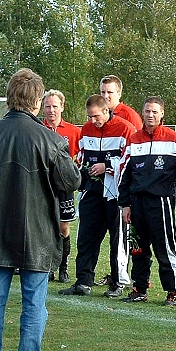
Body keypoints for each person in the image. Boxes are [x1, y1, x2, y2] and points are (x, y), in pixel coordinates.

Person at [0, 68, 81, 351]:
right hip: (37, 231)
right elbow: (70, 182)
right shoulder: (51, 140)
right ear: (38, 101)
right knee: (34, 299)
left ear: (9, 97)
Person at [118, 96, 176, 306]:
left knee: (165, 247)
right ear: (142, 113)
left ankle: (173, 290)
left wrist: (173, 184)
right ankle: (139, 288)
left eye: (154, 112)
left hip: (160, 203)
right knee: (138, 247)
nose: (150, 115)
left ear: (162, 114)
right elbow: (124, 174)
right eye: (147, 111)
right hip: (136, 203)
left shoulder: (174, 139)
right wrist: (125, 204)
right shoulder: (134, 140)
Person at [58, 94, 135, 297]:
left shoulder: (125, 128)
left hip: (115, 194)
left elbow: (130, 161)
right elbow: (81, 158)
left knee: (117, 239)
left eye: (95, 116)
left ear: (106, 111)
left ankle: (118, 281)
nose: (93, 121)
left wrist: (107, 166)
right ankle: (83, 281)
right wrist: (82, 174)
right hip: (92, 192)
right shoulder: (86, 129)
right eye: (90, 117)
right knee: (86, 237)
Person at [43, 89, 80, 283]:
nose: (51, 110)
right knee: (46, 226)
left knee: (63, 227)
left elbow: (80, 158)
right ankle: (49, 266)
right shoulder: (38, 129)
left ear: (62, 107)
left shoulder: (73, 131)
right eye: (47, 106)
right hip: (42, 186)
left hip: (64, 188)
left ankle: (63, 266)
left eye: (54, 106)